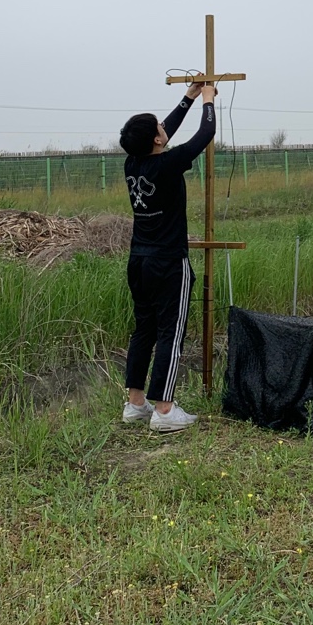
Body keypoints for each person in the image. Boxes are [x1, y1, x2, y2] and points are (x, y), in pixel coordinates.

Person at [117, 80, 216, 432]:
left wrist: (187, 98)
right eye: (159, 126)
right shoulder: (169, 164)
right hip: (170, 262)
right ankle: (164, 410)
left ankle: (136, 404)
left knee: (143, 329)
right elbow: (205, 135)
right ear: (157, 141)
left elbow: (163, 135)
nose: (164, 128)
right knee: (170, 333)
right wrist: (207, 102)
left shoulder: (133, 163)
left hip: (139, 261)